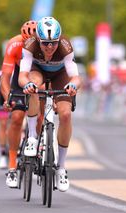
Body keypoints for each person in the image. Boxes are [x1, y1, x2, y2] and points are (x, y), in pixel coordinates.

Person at [19, 17, 82, 192]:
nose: (49, 47)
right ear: (38, 40)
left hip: (60, 75)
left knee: (66, 114)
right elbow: (23, 75)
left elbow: (76, 77)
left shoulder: (65, 46)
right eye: (45, 43)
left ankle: (61, 168)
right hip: (38, 72)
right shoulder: (30, 45)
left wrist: (73, 85)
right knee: (33, 85)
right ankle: (32, 136)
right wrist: (27, 85)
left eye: (53, 43)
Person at [0, 20, 39, 188]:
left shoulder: (45, 45)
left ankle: (39, 147)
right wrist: (7, 98)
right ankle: (12, 167)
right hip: (20, 79)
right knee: (16, 117)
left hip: (39, 76)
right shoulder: (14, 44)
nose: (29, 46)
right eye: (26, 43)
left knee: (43, 112)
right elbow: (5, 77)